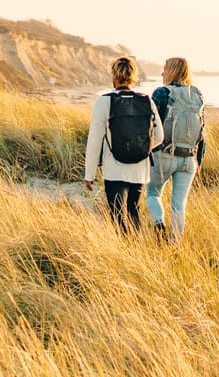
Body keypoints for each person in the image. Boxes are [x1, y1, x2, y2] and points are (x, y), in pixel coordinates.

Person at [85, 56, 163, 234]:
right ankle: (136, 250)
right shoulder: (146, 100)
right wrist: (141, 148)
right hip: (139, 169)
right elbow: (159, 136)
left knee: (117, 214)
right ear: (134, 77)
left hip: (114, 168)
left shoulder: (104, 101)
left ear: (114, 76)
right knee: (134, 211)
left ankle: (126, 250)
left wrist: (89, 174)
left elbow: (94, 140)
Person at [147, 56, 206, 242]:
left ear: (172, 70)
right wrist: (199, 161)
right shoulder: (197, 95)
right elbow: (202, 133)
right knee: (179, 204)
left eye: (165, 68)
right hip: (189, 158)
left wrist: (146, 151)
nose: (162, 72)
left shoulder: (162, 93)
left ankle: (158, 224)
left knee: (152, 193)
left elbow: (149, 125)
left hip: (164, 155)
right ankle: (174, 243)